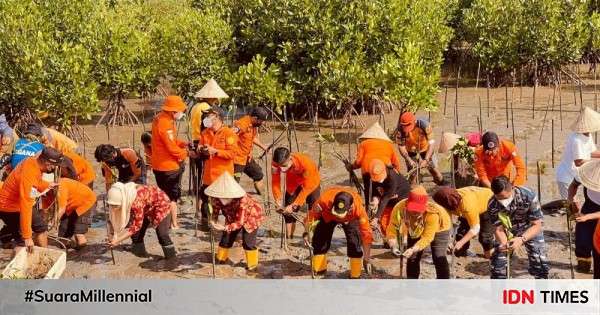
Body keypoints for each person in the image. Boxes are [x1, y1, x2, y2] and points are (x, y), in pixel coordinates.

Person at [0, 148, 62, 252]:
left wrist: (47, 185)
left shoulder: (34, 162)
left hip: (18, 202)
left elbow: (35, 182)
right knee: (22, 243)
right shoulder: (29, 173)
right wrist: (27, 236)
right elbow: (26, 205)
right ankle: (17, 266)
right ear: (48, 163)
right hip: (9, 207)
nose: (55, 168)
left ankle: (44, 256)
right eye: (55, 166)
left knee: (41, 228)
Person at [488, 176, 549, 279]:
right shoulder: (492, 204)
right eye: (499, 198)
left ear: (512, 187)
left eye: (505, 197)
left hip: (529, 228)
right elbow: (498, 229)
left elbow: (537, 225)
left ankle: (541, 290)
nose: (503, 202)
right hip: (508, 232)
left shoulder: (528, 195)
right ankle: (498, 292)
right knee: (498, 266)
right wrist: (505, 244)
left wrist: (521, 239)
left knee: (540, 263)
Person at [304, 186, 372, 278]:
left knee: (354, 242)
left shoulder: (358, 209)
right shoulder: (324, 200)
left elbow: (366, 234)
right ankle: (319, 270)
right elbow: (311, 217)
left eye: (341, 214)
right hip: (328, 215)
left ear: (350, 208)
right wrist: (306, 233)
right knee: (319, 239)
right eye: (337, 213)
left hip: (350, 219)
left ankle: (355, 274)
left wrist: (366, 259)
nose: (339, 217)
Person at [386, 185, 452, 279]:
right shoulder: (400, 207)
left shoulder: (432, 213)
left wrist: (413, 249)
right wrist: (393, 244)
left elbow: (427, 237)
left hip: (441, 226)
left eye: (418, 210)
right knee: (412, 258)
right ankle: (412, 285)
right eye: (412, 209)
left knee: (438, 256)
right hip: (415, 228)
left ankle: (443, 285)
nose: (415, 213)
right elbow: (392, 227)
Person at [205, 172, 265, 272]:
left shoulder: (243, 200)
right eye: (221, 197)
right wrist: (212, 221)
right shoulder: (215, 198)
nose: (222, 199)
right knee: (226, 239)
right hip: (232, 216)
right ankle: (220, 259)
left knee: (248, 243)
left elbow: (239, 222)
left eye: (225, 197)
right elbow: (214, 211)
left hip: (251, 216)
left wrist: (225, 227)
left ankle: (252, 266)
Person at [106, 182, 176, 259]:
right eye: (112, 205)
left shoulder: (135, 201)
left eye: (116, 206)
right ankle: (140, 254)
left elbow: (136, 226)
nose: (114, 208)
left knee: (162, 235)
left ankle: (171, 258)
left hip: (161, 204)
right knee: (136, 235)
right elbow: (112, 218)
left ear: (123, 200)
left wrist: (118, 240)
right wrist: (112, 235)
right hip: (146, 206)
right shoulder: (123, 192)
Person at [151, 95, 189, 229]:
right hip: (168, 167)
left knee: (163, 195)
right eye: (180, 111)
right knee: (171, 197)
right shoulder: (165, 123)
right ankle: (174, 224)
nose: (182, 113)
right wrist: (187, 153)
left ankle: (163, 221)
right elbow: (171, 148)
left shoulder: (160, 118)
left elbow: (168, 142)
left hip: (158, 165)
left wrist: (183, 143)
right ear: (173, 111)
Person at [198, 107, 238, 230]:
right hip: (208, 177)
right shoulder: (205, 133)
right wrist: (200, 149)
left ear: (218, 117)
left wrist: (216, 151)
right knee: (206, 205)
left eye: (210, 116)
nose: (207, 118)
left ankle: (230, 229)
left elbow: (232, 154)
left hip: (223, 177)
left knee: (227, 206)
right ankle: (207, 227)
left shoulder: (228, 133)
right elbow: (200, 147)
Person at [272, 147, 321, 239]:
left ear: (290, 158)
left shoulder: (306, 164)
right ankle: (289, 238)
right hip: (293, 184)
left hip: (311, 183)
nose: (282, 169)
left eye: (284, 165)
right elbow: (275, 182)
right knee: (287, 211)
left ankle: (309, 236)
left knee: (313, 208)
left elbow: (306, 188)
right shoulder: (275, 163)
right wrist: (277, 199)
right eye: (280, 166)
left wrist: (295, 204)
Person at [433, 186, 495, 258]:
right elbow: (447, 222)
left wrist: (460, 243)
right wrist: (449, 240)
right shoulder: (448, 202)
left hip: (487, 205)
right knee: (462, 233)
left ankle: (493, 251)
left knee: (485, 237)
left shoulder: (467, 205)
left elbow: (475, 228)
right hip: (469, 207)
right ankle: (462, 251)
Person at [189, 79, 226, 197]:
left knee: (199, 170)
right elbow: (206, 128)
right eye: (215, 97)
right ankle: (204, 193)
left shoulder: (195, 106)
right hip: (203, 141)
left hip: (194, 140)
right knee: (205, 171)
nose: (217, 100)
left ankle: (198, 192)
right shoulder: (207, 109)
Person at [556, 107, 600, 205]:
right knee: (571, 205)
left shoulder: (588, 135)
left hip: (576, 175)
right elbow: (578, 162)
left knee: (575, 204)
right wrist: (595, 164)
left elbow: (591, 152)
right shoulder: (576, 140)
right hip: (567, 176)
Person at [350, 122, 402, 203]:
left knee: (369, 193)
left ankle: (368, 209)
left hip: (367, 170)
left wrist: (351, 166)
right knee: (384, 194)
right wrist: (398, 175)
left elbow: (358, 162)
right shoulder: (388, 144)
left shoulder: (363, 144)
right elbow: (396, 162)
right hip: (383, 171)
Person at [42, 177, 96, 249]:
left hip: (85, 202)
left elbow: (61, 209)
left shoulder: (60, 187)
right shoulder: (44, 194)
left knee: (78, 233)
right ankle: (68, 249)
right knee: (62, 237)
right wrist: (43, 225)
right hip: (70, 206)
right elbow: (45, 211)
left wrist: (51, 224)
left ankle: (82, 253)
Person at [568, 160, 600, 275]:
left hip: (595, 214)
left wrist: (588, 217)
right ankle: (583, 267)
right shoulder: (586, 171)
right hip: (589, 207)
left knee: (598, 246)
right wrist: (571, 200)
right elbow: (573, 185)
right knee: (582, 239)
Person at [366, 159, 410, 242]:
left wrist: (376, 218)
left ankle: (403, 240)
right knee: (384, 220)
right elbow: (375, 192)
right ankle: (389, 239)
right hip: (386, 198)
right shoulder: (372, 177)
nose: (379, 181)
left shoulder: (392, 177)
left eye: (379, 178)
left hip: (401, 197)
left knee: (400, 219)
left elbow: (385, 199)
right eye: (376, 179)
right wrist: (375, 200)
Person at [395, 112, 444, 185]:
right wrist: (409, 160)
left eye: (409, 126)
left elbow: (432, 143)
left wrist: (426, 159)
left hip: (426, 149)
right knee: (412, 175)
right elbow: (401, 146)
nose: (407, 130)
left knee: (435, 172)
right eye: (405, 127)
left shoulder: (425, 125)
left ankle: (441, 184)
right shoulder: (400, 129)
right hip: (410, 151)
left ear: (415, 121)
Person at [232, 107, 270, 195]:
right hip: (237, 159)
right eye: (261, 121)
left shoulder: (253, 125)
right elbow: (231, 135)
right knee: (233, 183)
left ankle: (261, 195)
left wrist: (263, 147)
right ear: (255, 118)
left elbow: (252, 138)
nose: (262, 123)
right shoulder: (242, 124)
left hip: (247, 157)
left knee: (258, 174)